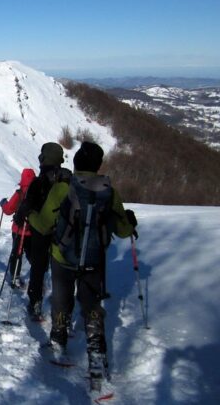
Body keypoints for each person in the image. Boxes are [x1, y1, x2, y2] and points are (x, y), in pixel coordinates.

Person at [28, 142, 137, 390]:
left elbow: (44, 225)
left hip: (62, 257)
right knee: (91, 305)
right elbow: (123, 231)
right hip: (94, 259)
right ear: (98, 166)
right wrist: (130, 221)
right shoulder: (110, 192)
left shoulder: (62, 188)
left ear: (75, 163)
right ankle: (97, 352)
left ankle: (58, 338)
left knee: (62, 298)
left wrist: (29, 213)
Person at [16, 142, 71, 320]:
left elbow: (27, 206)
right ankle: (64, 314)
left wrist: (25, 213)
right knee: (61, 272)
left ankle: (35, 302)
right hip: (65, 233)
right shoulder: (67, 180)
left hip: (40, 230)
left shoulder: (38, 182)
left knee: (38, 267)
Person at [0, 168, 37, 290]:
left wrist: (3, 203)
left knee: (17, 253)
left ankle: (15, 277)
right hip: (33, 230)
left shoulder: (19, 193)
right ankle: (37, 277)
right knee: (32, 254)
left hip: (19, 230)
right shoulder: (39, 193)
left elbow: (9, 209)